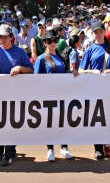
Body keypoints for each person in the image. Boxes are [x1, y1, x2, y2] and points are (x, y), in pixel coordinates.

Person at [79, 22, 110, 160]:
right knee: (97, 119)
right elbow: (81, 70)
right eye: (96, 32)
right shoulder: (90, 49)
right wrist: (91, 71)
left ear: (104, 32)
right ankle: (98, 148)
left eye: (100, 31)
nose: (98, 34)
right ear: (93, 34)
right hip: (95, 88)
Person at [0, 25, 33, 166]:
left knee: (10, 122)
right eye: (0, 37)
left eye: (5, 36)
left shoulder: (19, 52)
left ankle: (9, 153)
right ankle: (2, 150)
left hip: (15, 93)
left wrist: (20, 68)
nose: (2, 39)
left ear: (11, 37)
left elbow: (31, 71)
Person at [33, 28, 74, 162]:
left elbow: (66, 73)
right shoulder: (41, 59)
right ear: (45, 43)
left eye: (54, 40)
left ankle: (64, 147)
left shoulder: (61, 57)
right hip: (48, 96)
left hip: (62, 94)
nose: (52, 43)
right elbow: (37, 79)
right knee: (50, 123)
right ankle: (50, 148)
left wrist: (73, 73)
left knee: (63, 121)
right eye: (49, 41)